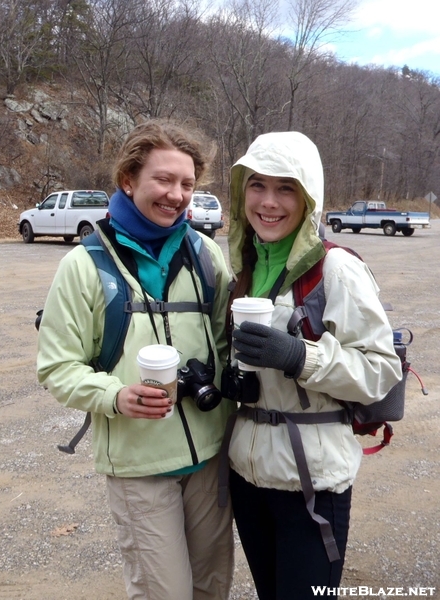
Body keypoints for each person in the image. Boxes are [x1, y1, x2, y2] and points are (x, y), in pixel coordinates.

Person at [37, 120, 234, 600]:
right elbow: (57, 366)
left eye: (187, 184)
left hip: (209, 459)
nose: (176, 195)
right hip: (138, 466)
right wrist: (115, 395)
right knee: (164, 592)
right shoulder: (84, 266)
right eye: (163, 180)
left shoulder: (206, 254)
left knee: (212, 587)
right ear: (129, 179)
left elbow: (227, 344)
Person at [225, 131, 403, 599]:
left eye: (286, 188)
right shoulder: (243, 266)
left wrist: (301, 357)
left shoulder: (336, 269)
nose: (268, 202)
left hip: (311, 483)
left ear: (309, 199)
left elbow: (381, 369)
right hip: (247, 477)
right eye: (257, 185)